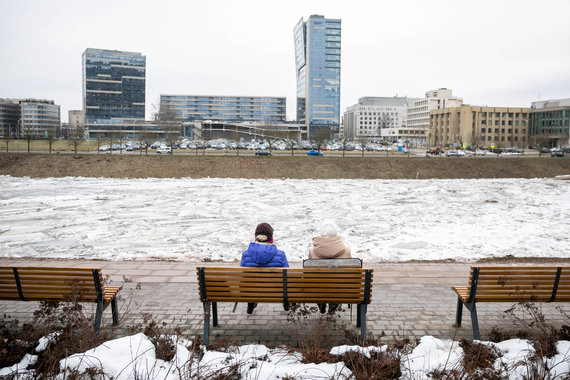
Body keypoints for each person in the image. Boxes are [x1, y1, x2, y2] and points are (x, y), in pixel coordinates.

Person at [240, 222, 289, 314]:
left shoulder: (246, 254)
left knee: (250, 282)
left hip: (251, 291)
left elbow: (243, 276)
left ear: (256, 237)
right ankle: (286, 304)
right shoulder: (280, 255)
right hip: (277, 292)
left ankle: (250, 305)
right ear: (271, 238)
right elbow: (287, 275)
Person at [309, 223, 351, 313]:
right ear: (335, 235)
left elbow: (308, 274)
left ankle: (321, 303)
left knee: (316, 282)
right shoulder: (346, 250)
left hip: (319, 290)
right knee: (339, 281)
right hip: (340, 290)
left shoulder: (312, 251)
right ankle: (334, 305)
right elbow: (350, 273)